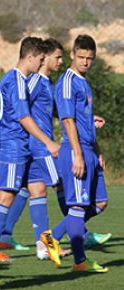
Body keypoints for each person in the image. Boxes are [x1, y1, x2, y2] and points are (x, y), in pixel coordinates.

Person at [41, 35, 109, 272]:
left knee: (100, 202)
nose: (85, 62)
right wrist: (78, 154)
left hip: (89, 150)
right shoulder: (67, 81)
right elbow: (68, 119)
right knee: (78, 207)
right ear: (72, 54)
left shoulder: (84, 82)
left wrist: (96, 150)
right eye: (81, 57)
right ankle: (80, 262)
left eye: (90, 58)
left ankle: (53, 235)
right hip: (75, 150)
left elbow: (81, 119)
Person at [0, 36, 60, 262]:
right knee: (6, 196)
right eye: (40, 59)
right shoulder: (18, 80)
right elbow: (23, 117)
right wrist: (48, 142)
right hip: (13, 146)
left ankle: (46, 246)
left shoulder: (14, 78)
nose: (41, 64)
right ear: (29, 57)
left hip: (24, 146)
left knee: (39, 190)